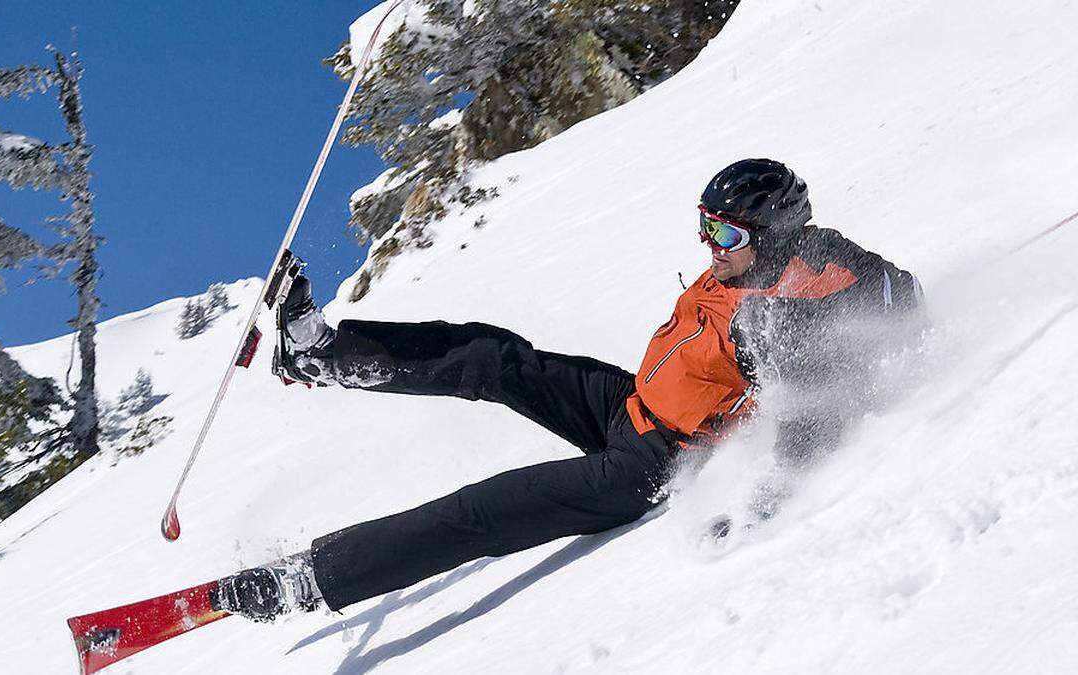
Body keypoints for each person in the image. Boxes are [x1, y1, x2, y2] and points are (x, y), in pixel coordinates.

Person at [209, 158, 925, 621]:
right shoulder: (747, 268)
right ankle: (322, 355)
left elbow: (894, 307)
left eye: (726, 232)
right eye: (705, 226)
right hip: (629, 404)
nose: (710, 244)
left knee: (484, 508)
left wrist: (764, 489)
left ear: (771, 234)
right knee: (493, 357)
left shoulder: (800, 286)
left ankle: (309, 579)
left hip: (650, 463)